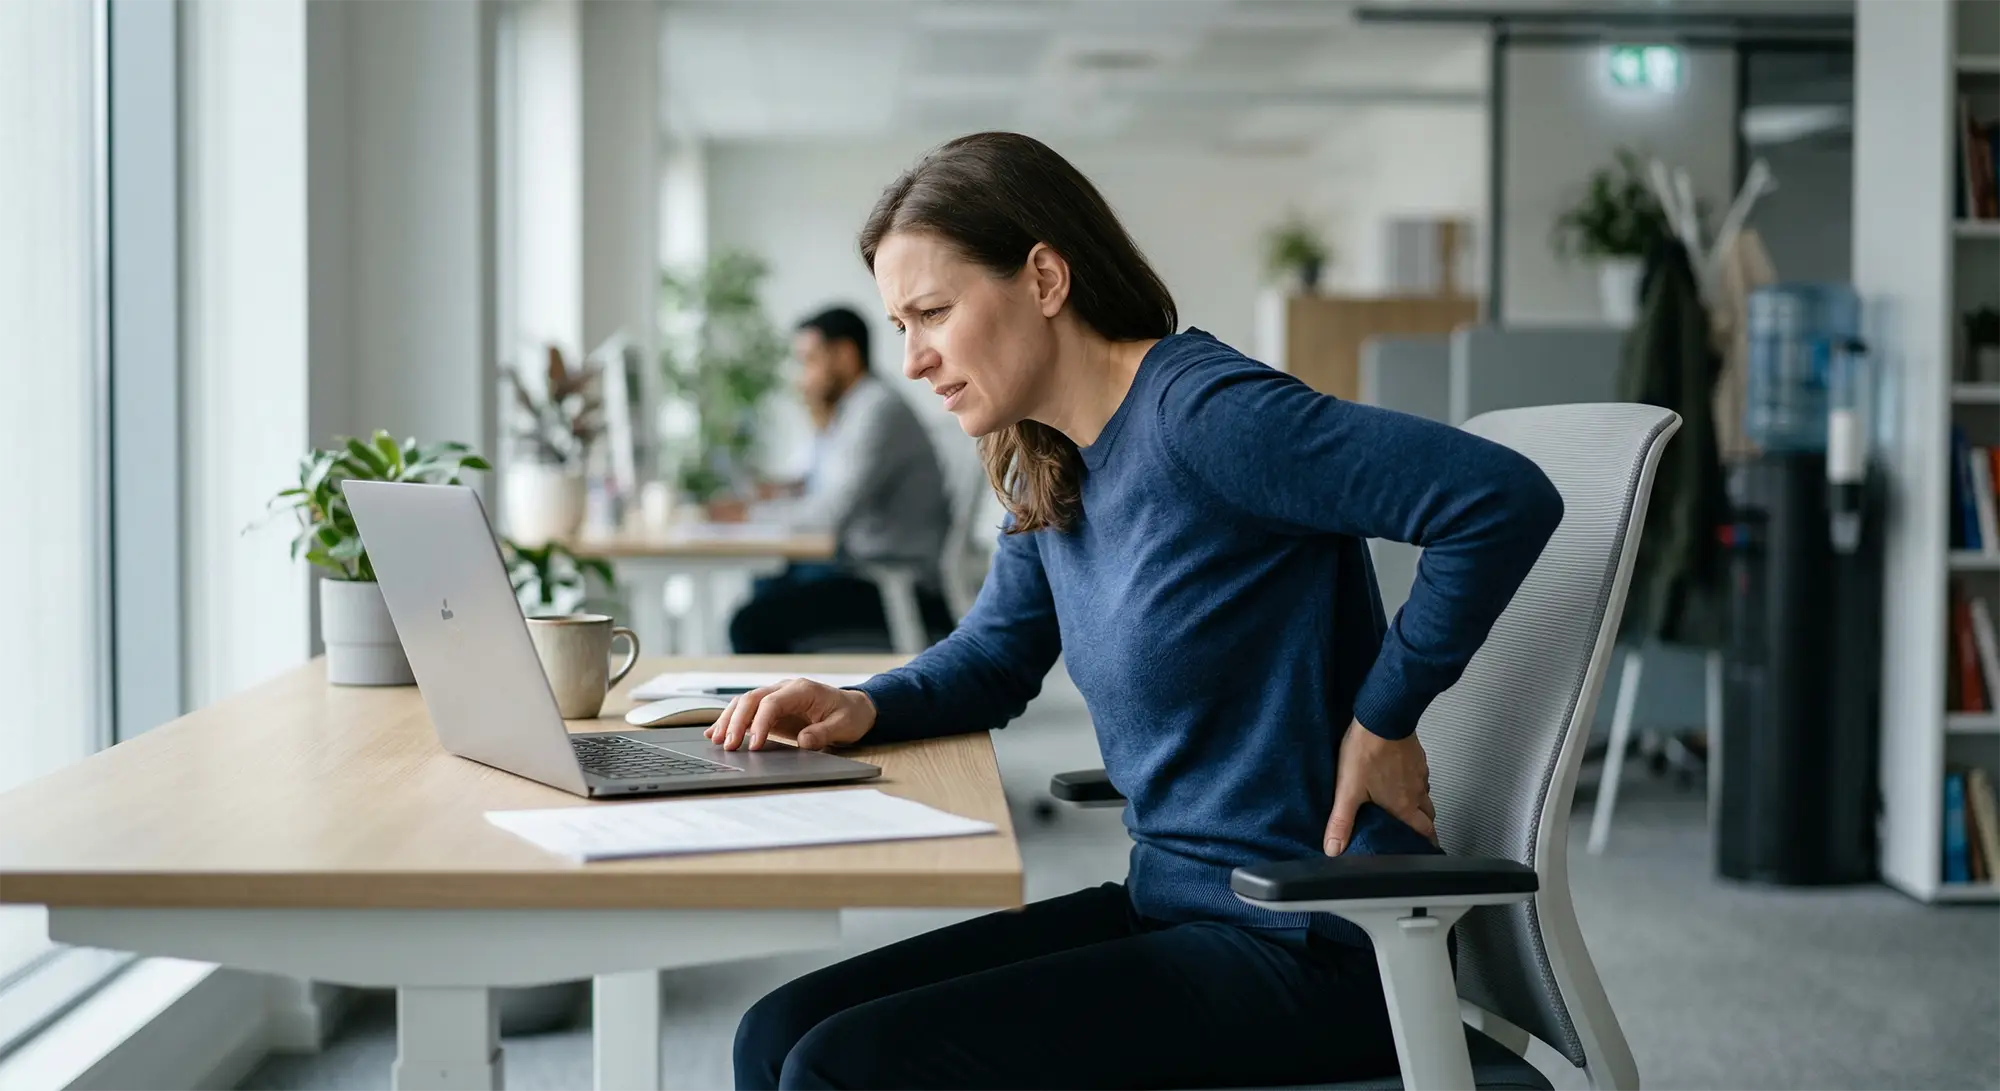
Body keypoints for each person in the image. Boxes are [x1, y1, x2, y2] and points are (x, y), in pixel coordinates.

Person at [708, 132, 1566, 1091]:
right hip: (1177, 902)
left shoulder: (1206, 415)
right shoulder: (1049, 454)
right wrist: (864, 703)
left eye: (934, 313)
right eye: (900, 324)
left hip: (1317, 934)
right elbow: (995, 654)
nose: (912, 359)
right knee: (774, 1033)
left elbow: (1497, 499)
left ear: (1044, 278)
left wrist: (1384, 714)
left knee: (839, 1068)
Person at [723, 306, 955, 654]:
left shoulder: (877, 411)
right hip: (864, 569)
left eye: (810, 360)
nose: (803, 376)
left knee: (750, 622)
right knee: (767, 583)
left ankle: (787, 690)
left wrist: (749, 516)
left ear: (845, 356)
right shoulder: (853, 409)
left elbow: (830, 515)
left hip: (895, 587)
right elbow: (817, 483)